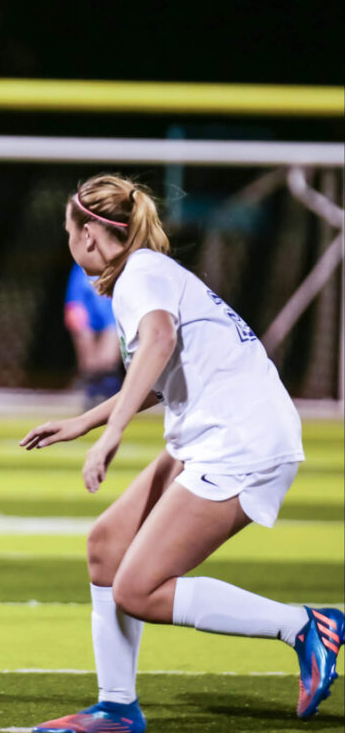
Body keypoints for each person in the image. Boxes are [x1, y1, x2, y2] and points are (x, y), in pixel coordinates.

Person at [20, 174, 342, 733]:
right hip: (214, 434)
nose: (70, 246)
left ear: (90, 235)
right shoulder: (145, 272)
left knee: (137, 589)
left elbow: (162, 340)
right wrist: (86, 421)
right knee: (106, 548)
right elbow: (160, 372)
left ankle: (306, 626)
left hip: (241, 441)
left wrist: (113, 434)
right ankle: (117, 708)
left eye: (69, 234)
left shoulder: (138, 277)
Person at [64, 262, 123, 409]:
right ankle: (92, 396)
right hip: (88, 314)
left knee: (107, 359)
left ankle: (111, 398)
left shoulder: (118, 266)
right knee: (89, 362)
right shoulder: (80, 268)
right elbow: (75, 301)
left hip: (112, 314)